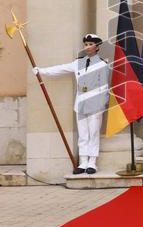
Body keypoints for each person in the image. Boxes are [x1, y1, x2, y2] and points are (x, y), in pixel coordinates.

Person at [34, 34, 110, 175]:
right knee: (83, 134)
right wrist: (41, 71)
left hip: (95, 105)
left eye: (90, 44)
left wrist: (101, 106)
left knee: (93, 133)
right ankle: (83, 162)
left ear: (97, 47)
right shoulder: (78, 63)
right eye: (86, 44)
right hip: (81, 104)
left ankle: (92, 162)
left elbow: (105, 88)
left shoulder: (102, 64)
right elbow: (60, 69)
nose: (87, 47)